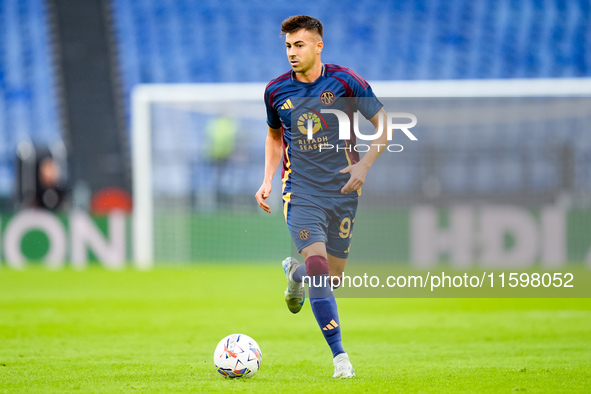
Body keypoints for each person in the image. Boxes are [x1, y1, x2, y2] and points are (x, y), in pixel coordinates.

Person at [255, 15, 388, 378]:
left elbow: (384, 126)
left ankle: (294, 275)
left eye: (299, 45)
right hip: (301, 191)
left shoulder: (346, 82)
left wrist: (364, 167)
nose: (292, 53)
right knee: (318, 267)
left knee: (329, 278)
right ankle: (340, 358)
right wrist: (267, 179)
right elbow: (274, 136)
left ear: (318, 46)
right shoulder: (275, 91)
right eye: (287, 46)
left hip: (343, 192)